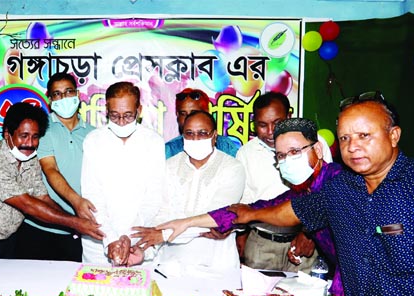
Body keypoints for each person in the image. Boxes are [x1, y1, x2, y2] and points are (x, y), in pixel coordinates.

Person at [227, 94, 414, 296]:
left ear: (393, 135)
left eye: (363, 135)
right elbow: (291, 211)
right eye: (344, 138)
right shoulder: (341, 188)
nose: (353, 146)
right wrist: (246, 215)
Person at [158, 118, 345, 296]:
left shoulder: (337, 182)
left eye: (295, 152)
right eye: (281, 155)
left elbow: (350, 248)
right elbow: (250, 209)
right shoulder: (303, 190)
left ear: (318, 150)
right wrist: (187, 223)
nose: (288, 160)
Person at [0, 102, 103, 258]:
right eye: (23, 136)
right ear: (7, 134)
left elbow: (42, 197)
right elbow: (28, 205)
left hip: (7, 241)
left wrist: (75, 221)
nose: (30, 144)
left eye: (35, 137)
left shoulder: (29, 159)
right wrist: (76, 223)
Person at [132, 110, 245, 270]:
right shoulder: (169, 166)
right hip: (171, 264)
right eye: (189, 133)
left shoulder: (232, 168)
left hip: (216, 264)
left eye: (202, 133)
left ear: (214, 136)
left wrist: (163, 235)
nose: (195, 139)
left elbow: (215, 219)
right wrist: (145, 251)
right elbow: (160, 216)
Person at [235, 91, 328, 273]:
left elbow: (325, 195)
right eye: (262, 125)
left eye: (277, 123)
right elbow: (246, 205)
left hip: (304, 243)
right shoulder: (246, 153)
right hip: (262, 244)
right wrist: (241, 237)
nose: (270, 132)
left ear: (289, 116)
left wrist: (308, 233)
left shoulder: (313, 144)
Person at [81, 81, 165, 265]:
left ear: (139, 110)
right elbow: (92, 195)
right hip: (100, 241)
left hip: (140, 242)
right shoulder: (94, 141)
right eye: (114, 116)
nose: (120, 122)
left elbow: (153, 197)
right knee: (94, 293)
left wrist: (129, 237)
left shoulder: (154, 142)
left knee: (141, 292)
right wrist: (111, 238)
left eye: (128, 116)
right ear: (106, 111)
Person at [18, 72, 96, 261]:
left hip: (79, 229)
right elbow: (50, 169)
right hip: (41, 226)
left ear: (77, 94)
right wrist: (76, 201)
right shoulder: (42, 131)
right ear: (49, 99)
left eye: (69, 92)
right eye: (57, 94)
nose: (64, 98)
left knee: (73, 287)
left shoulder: (94, 134)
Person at [164, 88, 240, 158]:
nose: (188, 118)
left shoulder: (226, 147)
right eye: (183, 113)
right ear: (177, 116)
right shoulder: (169, 150)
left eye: (194, 113)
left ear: (206, 113)